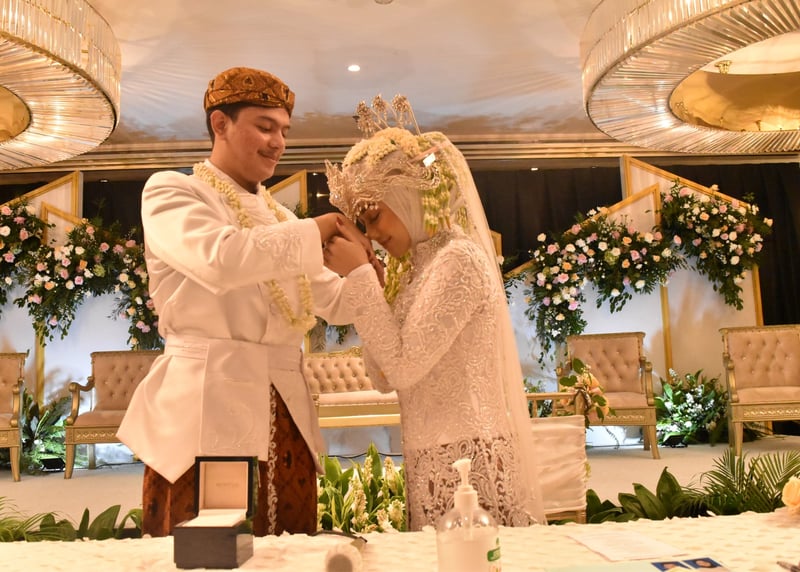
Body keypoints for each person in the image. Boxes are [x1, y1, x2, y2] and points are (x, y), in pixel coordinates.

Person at [117, 66, 378, 537]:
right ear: (220, 124)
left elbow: (336, 302)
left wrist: (371, 272)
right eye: (265, 126)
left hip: (285, 406)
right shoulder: (173, 191)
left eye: (284, 130)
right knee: (205, 549)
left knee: (291, 542)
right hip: (206, 403)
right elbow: (222, 259)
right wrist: (322, 227)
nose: (278, 142)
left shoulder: (281, 219)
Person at [322, 95, 546, 530]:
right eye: (363, 224)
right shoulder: (414, 270)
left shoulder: (458, 259)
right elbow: (383, 377)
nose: (372, 234)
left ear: (408, 196)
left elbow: (402, 368)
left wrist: (361, 279)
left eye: (374, 216)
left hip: (469, 457)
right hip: (427, 454)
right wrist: (373, 284)